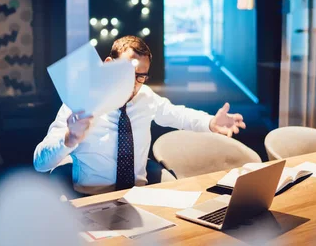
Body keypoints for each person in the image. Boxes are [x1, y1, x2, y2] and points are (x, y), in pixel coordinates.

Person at [33, 36, 246, 195]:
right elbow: (40, 162)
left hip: (139, 198)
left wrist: (210, 122)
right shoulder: (79, 104)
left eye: (141, 77)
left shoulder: (145, 97)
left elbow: (178, 115)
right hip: (92, 200)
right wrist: (69, 139)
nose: (133, 84)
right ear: (108, 64)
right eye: (127, 72)